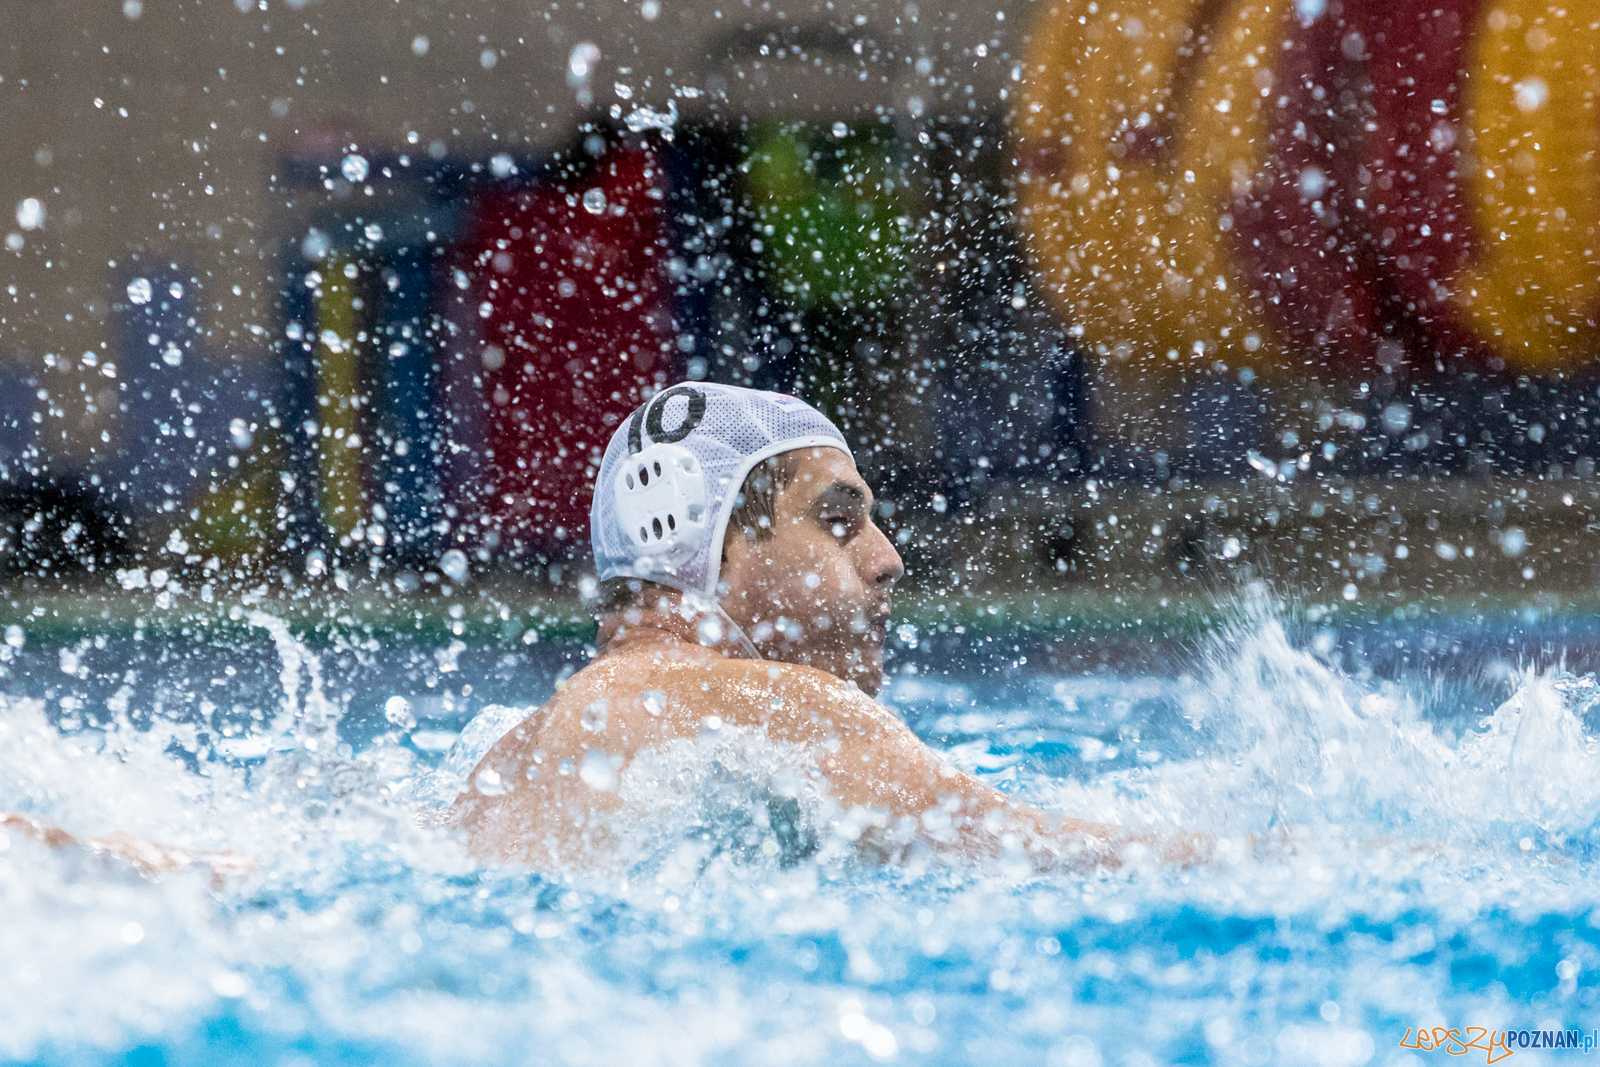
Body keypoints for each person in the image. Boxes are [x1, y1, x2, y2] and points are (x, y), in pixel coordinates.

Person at [452, 383, 1211, 872]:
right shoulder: (785, 706)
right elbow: (1041, 855)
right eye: (840, 521)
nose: (889, 560)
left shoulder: (501, 765)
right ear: (718, 547)